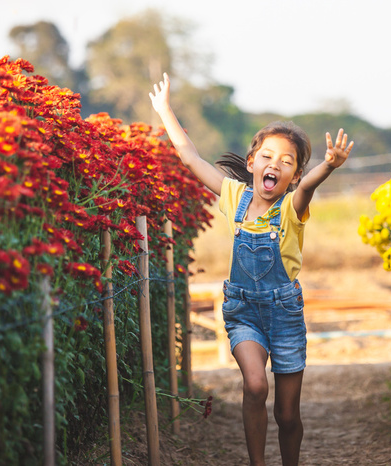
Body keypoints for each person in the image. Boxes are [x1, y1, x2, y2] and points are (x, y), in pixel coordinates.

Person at [149, 73, 353, 466]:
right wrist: (165, 111)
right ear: (251, 163)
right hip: (243, 311)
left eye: (287, 161)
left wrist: (329, 166)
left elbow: (310, 187)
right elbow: (191, 157)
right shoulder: (233, 195)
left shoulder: (293, 208)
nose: (274, 164)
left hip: (285, 314)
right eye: (267, 157)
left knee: (288, 414)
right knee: (255, 385)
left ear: (292, 176)